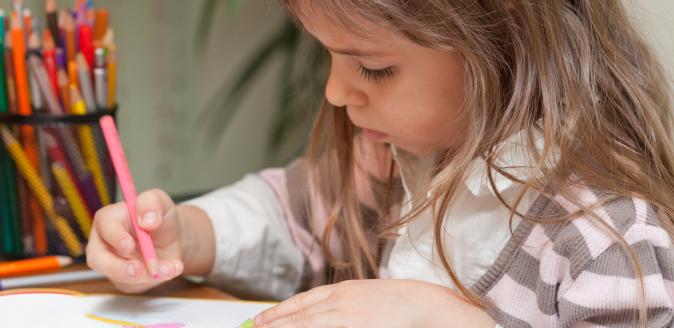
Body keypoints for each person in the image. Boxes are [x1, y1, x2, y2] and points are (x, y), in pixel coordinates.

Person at [86, 1, 674, 326]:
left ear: (506, 49)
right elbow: (287, 215)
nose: (336, 93)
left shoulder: (606, 232)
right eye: (330, 59)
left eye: (372, 68)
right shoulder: (394, 159)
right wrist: (186, 234)